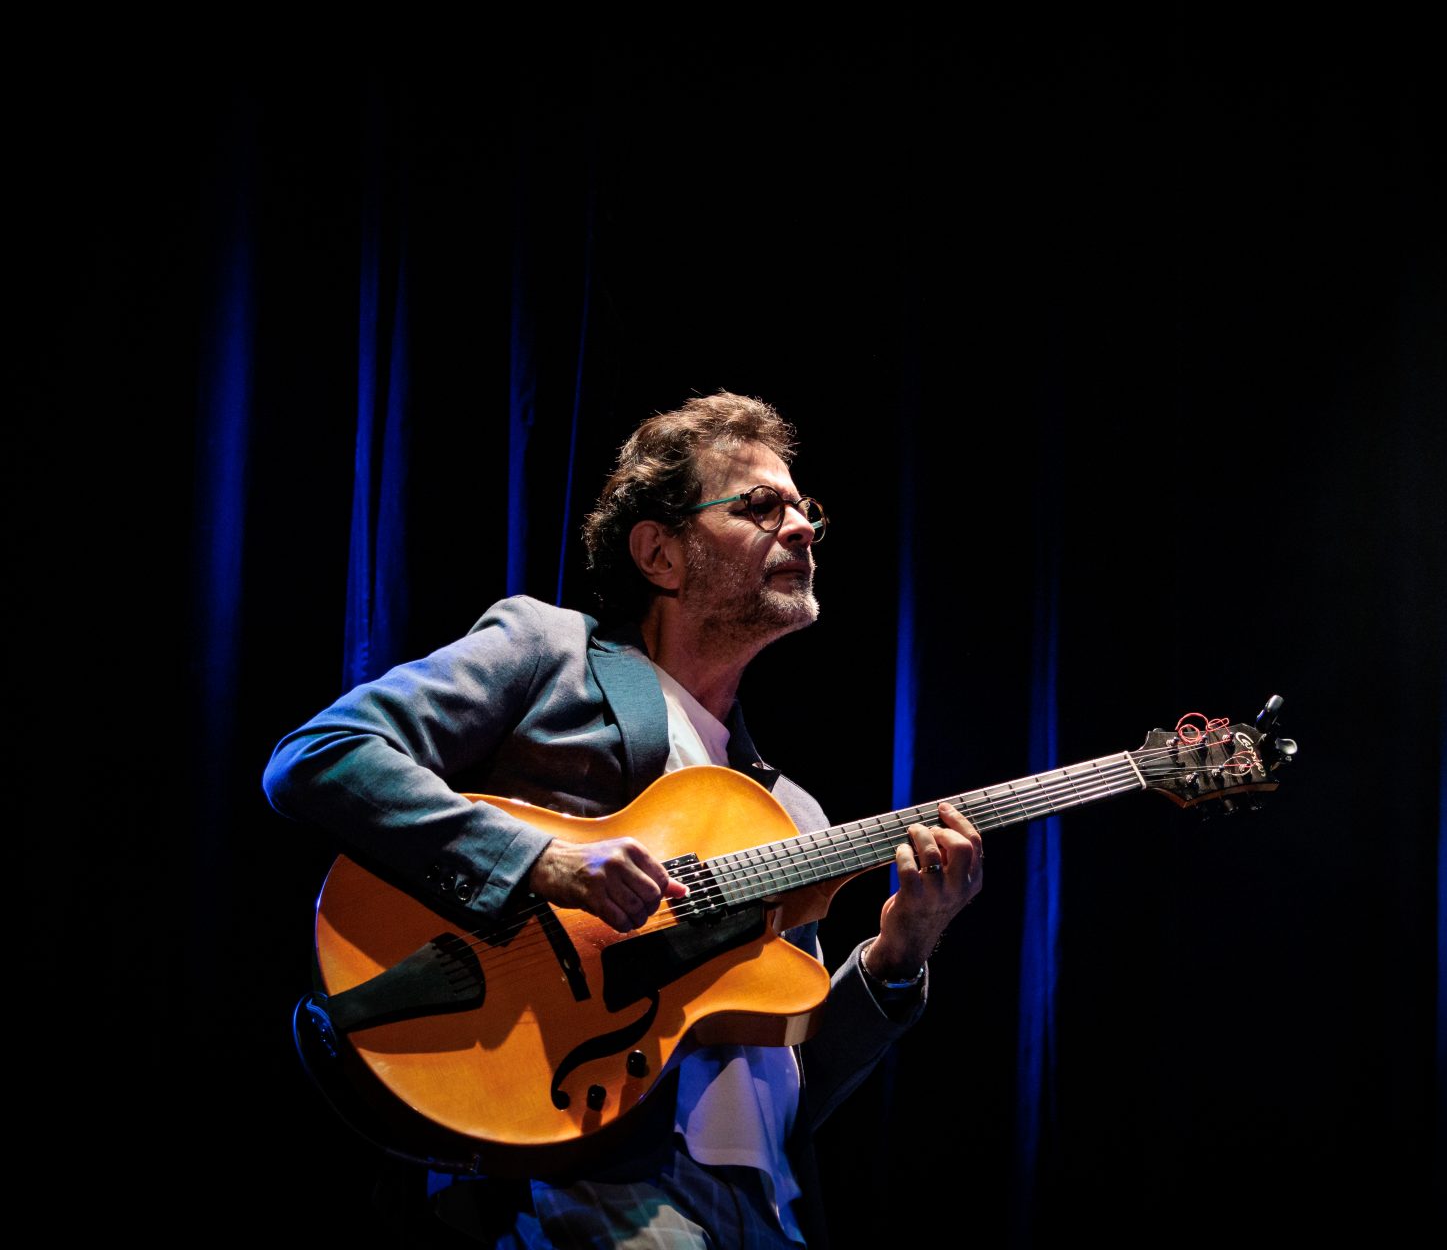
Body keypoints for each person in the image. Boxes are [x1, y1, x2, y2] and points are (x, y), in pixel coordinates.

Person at [264, 392, 983, 1247]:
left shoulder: (793, 813)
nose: (799, 528)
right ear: (661, 553)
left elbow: (795, 1084)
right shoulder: (550, 652)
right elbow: (320, 756)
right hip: (587, 1184)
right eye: (760, 505)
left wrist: (900, 956)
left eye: (803, 510)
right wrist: (542, 862)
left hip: (772, 1211)